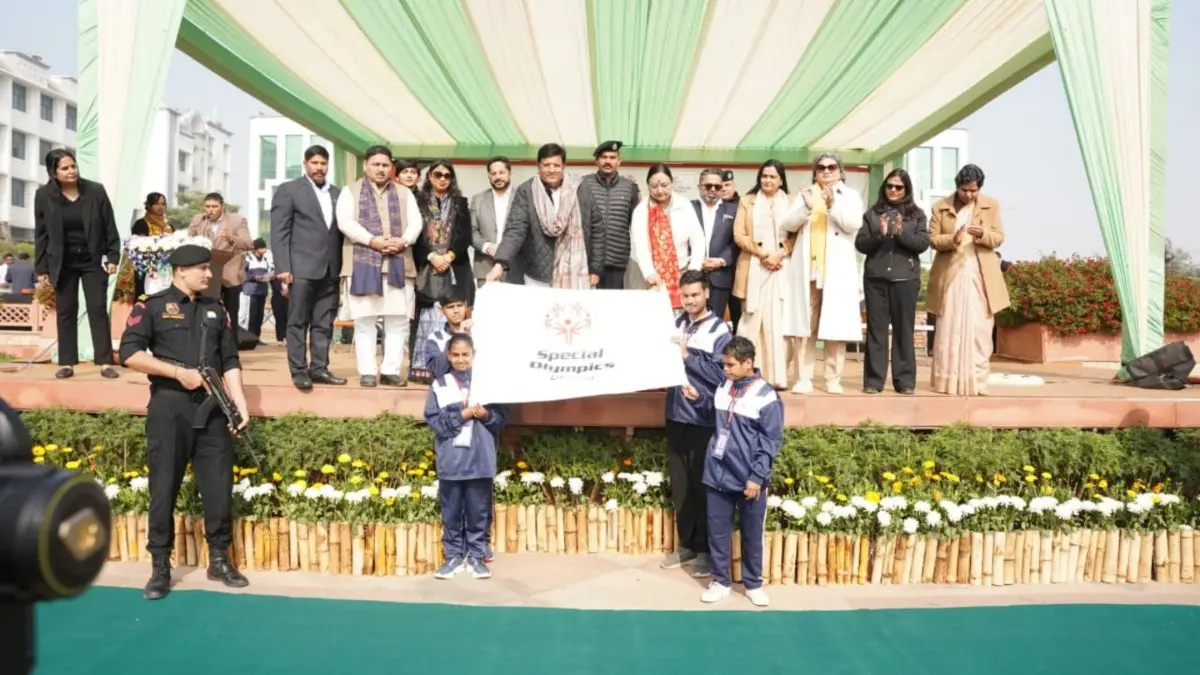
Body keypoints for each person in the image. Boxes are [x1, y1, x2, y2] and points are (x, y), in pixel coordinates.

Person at [117, 243, 251, 600]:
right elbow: (129, 353)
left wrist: (239, 404)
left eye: (209, 268)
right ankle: (160, 565)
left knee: (219, 486)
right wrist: (179, 373)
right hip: (170, 408)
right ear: (181, 271)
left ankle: (219, 559)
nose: (209, 274)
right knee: (164, 489)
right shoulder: (153, 306)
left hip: (212, 410)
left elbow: (231, 361)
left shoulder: (215, 309)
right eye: (202, 269)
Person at [697, 335, 782, 607]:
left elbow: (771, 441)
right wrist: (698, 398)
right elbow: (713, 416)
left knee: (751, 532)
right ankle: (720, 582)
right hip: (717, 472)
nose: (726, 370)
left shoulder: (766, 396)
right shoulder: (724, 385)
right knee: (717, 531)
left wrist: (757, 476)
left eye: (731, 365)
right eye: (724, 365)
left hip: (749, 478)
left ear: (748, 363)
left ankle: (753, 583)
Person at [661, 270, 731, 579]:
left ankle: (704, 550)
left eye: (694, 295)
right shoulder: (675, 323)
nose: (689, 301)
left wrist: (687, 355)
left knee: (704, 487)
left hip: (704, 419)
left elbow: (721, 375)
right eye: (685, 295)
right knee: (681, 485)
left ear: (706, 294)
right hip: (676, 414)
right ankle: (687, 544)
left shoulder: (720, 330)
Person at [336, 145, 422, 388]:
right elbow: (345, 222)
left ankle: (390, 371)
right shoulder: (349, 191)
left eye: (385, 165)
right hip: (362, 262)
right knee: (365, 320)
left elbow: (416, 223)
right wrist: (372, 240)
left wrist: (403, 240)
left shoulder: (405, 193)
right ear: (366, 165)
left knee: (397, 321)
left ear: (391, 167)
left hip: (399, 262)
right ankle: (367, 371)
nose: (381, 169)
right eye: (376, 164)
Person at [424, 334, 509, 580]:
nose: (461, 360)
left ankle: (475, 555)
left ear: (474, 355)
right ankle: (452, 555)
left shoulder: (488, 384)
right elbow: (434, 420)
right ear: (449, 356)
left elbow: (502, 418)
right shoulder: (440, 384)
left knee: (478, 510)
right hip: (452, 460)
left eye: (465, 355)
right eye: (456, 355)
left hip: (480, 458)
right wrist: (461, 415)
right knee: (451, 510)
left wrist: (483, 415)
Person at [780, 152, 865, 395]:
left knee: (835, 327)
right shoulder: (806, 193)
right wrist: (806, 208)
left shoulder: (849, 196)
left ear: (840, 171)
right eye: (821, 167)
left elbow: (853, 224)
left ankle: (832, 379)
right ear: (815, 171)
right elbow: (788, 224)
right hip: (808, 268)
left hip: (836, 270)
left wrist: (831, 205)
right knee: (805, 325)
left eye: (831, 167)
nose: (826, 171)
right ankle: (804, 377)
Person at [34, 148, 121, 380]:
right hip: (62, 262)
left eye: (73, 166)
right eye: (65, 168)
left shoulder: (95, 191)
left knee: (97, 309)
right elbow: (41, 234)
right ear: (53, 172)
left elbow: (109, 226)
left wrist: (113, 256)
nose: (71, 171)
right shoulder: (44, 195)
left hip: (92, 259)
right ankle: (67, 362)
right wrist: (41, 268)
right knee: (66, 311)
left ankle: (104, 361)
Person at [926, 164, 1010, 395]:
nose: (969, 195)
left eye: (974, 191)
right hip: (951, 275)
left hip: (981, 274)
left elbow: (999, 237)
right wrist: (953, 238)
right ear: (957, 186)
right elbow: (932, 239)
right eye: (965, 190)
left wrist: (982, 234)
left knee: (981, 328)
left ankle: (979, 382)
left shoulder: (990, 205)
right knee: (949, 328)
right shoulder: (940, 207)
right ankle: (948, 382)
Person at [271, 145, 348, 389]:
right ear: (305, 164)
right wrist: (283, 266)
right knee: (297, 322)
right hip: (301, 268)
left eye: (323, 163)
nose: (319, 168)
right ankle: (299, 371)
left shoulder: (338, 193)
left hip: (330, 269)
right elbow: (279, 231)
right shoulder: (289, 190)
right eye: (314, 163)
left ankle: (319, 368)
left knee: (324, 322)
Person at [485, 143, 605, 289]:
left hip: (577, 274)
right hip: (538, 276)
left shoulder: (581, 189)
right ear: (538, 166)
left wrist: (595, 270)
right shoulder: (527, 191)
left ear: (564, 166)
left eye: (556, 165)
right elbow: (515, 230)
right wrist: (499, 264)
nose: (551, 170)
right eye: (546, 165)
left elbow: (597, 230)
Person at [854, 169, 929, 394]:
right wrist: (880, 234)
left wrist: (899, 233)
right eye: (889, 186)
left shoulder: (916, 215)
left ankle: (904, 381)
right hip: (876, 279)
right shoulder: (872, 214)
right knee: (876, 330)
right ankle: (873, 381)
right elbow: (861, 244)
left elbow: (923, 243)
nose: (893, 190)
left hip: (905, 279)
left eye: (898, 187)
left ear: (906, 189)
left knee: (903, 330)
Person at [409, 159, 475, 384]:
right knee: (426, 315)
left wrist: (447, 256)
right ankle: (423, 369)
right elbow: (414, 233)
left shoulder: (460, 203)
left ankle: (457, 367)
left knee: (455, 314)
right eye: (438, 175)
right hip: (425, 267)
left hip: (454, 266)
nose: (443, 179)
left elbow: (464, 235)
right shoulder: (417, 201)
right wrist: (432, 256)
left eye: (448, 176)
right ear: (430, 177)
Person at [731, 160, 793, 389]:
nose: (767, 180)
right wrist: (762, 253)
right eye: (764, 176)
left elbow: (796, 234)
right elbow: (739, 234)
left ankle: (776, 376)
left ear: (781, 180)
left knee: (776, 323)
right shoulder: (747, 201)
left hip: (780, 269)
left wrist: (780, 253)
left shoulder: (790, 201)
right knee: (750, 322)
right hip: (753, 267)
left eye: (772, 177)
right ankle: (744, 373)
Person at [629, 164, 705, 311]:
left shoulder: (684, 205)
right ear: (648, 186)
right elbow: (640, 246)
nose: (660, 191)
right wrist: (649, 273)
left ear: (672, 183)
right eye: (654, 186)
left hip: (683, 274)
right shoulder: (641, 210)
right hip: (653, 279)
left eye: (664, 185)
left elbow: (698, 240)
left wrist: (693, 271)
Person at [577, 140, 639, 290]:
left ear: (619, 161)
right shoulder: (583, 184)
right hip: (586, 260)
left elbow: (635, 223)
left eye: (612, 157)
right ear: (596, 161)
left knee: (613, 306)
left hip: (616, 261)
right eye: (604, 157)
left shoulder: (629, 187)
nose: (608, 161)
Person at [187, 192, 252, 327]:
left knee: (231, 314)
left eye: (214, 206)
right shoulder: (199, 220)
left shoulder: (236, 220)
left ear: (222, 206)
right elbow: (188, 240)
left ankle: (231, 344)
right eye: (207, 206)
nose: (210, 210)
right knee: (207, 312)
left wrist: (231, 239)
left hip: (230, 274)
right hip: (207, 275)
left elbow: (248, 244)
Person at [691, 169, 738, 321]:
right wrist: (697, 260)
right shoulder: (688, 208)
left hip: (720, 276)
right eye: (708, 185)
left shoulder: (733, 210)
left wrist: (720, 261)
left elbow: (737, 241)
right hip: (693, 275)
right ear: (699, 186)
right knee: (691, 322)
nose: (713, 189)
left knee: (715, 323)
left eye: (717, 186)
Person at [470, 156, 521, 286]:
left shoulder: (522, 197)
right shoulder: (478, 199)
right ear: (489, 175)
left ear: (510, 173)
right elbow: (471, 230)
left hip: (516, 268)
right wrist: (487, 247)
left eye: (501, 172)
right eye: (494, 173)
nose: (498, 177)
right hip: (486, 267)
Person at [118, 192, 173, 300]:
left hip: (164, 271)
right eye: (156, 204)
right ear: (149, 205)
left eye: (163, 204)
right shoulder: (141, 224)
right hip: (144, 270)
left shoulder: (169, 227)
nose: (160, 207)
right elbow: (137, 247)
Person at [422, 287, 470, 382]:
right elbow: (437, 372)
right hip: (448, 392)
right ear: (442, 310)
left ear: (465, 305)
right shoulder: (435, 338)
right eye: (451, 307)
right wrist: (457, 338)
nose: (456, 310)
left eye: (459, 305)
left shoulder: (477, 333)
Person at [243, 239, 272, 343]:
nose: (264, 249)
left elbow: (269, 271)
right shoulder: (248, 258)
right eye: (261, 247)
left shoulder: (265, 259)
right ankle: (250, 338)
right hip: (251, 291)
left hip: (262, 291)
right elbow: (243, 273)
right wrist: (254, 277)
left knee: (260, 315)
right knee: (252, 315)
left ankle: (257, 338)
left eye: (264, 247)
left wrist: (269, 276)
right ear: (256, 249)